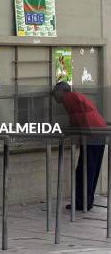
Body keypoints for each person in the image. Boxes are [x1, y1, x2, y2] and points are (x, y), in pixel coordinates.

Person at [52, 81, 107, 211]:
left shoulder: (68, 98)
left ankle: (82, 202)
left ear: (61, 91)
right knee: (92, 168)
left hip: (91, 134)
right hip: (99, 130)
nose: (54, 97)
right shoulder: (76, 96)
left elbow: (76, 118)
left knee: (84, 169)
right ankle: (88, 200)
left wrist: (69, 131)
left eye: (54, 92)